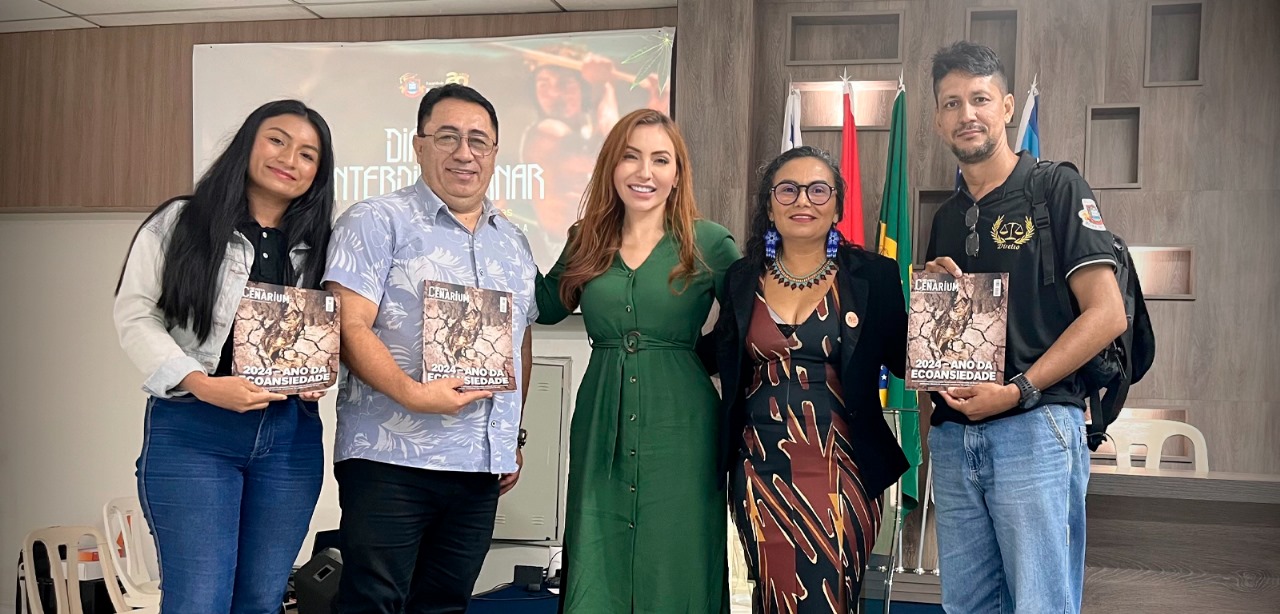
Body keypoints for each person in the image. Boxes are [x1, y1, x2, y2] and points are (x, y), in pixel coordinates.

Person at [924, 42, 1128, 613]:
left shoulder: (1055, 188)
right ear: (938, 119)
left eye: (980, 99)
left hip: (1035, 428)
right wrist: (938, 300)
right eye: (952, 103)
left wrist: (1018, 390)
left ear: (1008, 107)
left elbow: (1106, 313)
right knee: (967, 606)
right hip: (953, 436)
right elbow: (955, 338)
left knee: (1040, 604)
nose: (967, 114)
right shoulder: (946, 217)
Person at [322, 83, 539, 613]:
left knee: (445, 606)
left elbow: (520, 339)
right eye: (447, 137)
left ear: (494, 153)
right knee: (373, 603)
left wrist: (510, 436)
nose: (464, 153)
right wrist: (413, 394)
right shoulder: (375, 220)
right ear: (419, 146)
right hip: (389, 458)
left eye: (478, 141)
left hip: (477, 466)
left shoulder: (513, 241)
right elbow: (348, 325)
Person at [113, 99, 335, 612]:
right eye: (277, 140)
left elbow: (347, 327)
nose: (290, 159)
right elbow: (135, 313)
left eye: (308, 154)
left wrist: (322, 372)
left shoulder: (323, 243)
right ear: (247, 143)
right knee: (199, 601)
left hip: (290, 437)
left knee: (261, 601)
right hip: (194, 430)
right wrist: (199, 382)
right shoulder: (182, 221)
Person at [535, 108, 740, 612]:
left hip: (683, 425)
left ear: (678, 173)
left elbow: (748, 323)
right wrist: (495, 241)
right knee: (597, 545)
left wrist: (693, 360)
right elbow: (545, 306)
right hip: (600, 416)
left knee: (677, 551)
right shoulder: (586, 237)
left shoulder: (708, 241)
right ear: (611, 165)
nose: (644, 172)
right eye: (631, 157)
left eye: (660, 160)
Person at [712, 146, 910, 613]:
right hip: (759, 470)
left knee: (831, 597)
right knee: (772, 596)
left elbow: (907, 358)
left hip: (844, 470)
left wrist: (941, 301)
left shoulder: (874, 276)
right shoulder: (741, 278)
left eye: (818, 190)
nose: (803, 200)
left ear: (837, 206)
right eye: (788, 189)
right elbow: (717, 353)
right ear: (769, 206)